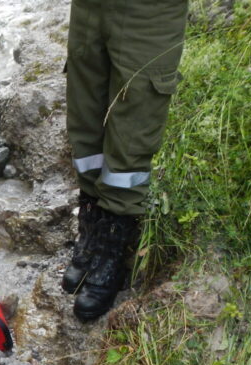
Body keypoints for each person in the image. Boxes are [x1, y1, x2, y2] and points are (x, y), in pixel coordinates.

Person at [62, 0, 188, 321]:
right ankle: (93, 229)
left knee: (133, 128)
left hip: (148, 12)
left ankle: (115, 244)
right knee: (86, 117)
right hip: (90, 7)